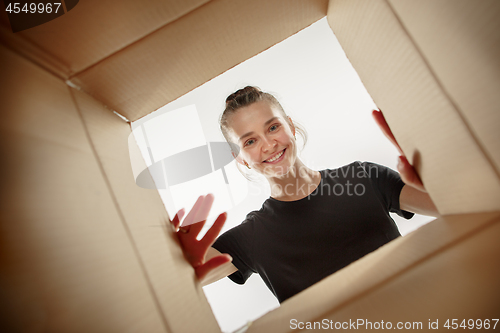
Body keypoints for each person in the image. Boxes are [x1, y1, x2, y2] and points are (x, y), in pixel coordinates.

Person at [170, 86, 439, 303]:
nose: (268, 144)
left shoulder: (363, 177)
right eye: (250, 141)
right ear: (239, 158)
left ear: (290, 126)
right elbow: (175, 286)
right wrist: (180, 265)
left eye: (273, 127)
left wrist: (433, 168)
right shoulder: (251, 237)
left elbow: (449, 203)